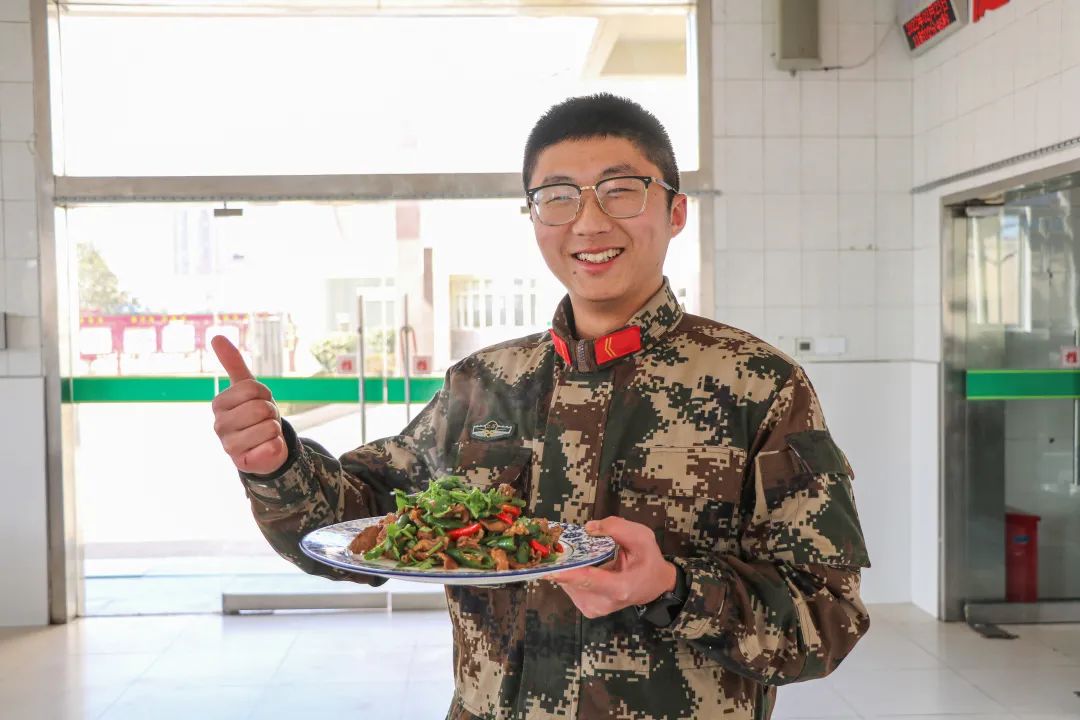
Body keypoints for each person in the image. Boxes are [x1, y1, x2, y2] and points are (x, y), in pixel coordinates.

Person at [211, 93, 870, 719]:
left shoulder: (758, 385)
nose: (588, 221)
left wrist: (672, 587)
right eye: (557, 197)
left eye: (620, 190)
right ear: (533, 217)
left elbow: (828, 618)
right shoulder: (482, 384)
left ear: (675, 211)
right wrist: (277, 466)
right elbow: (357, 524)